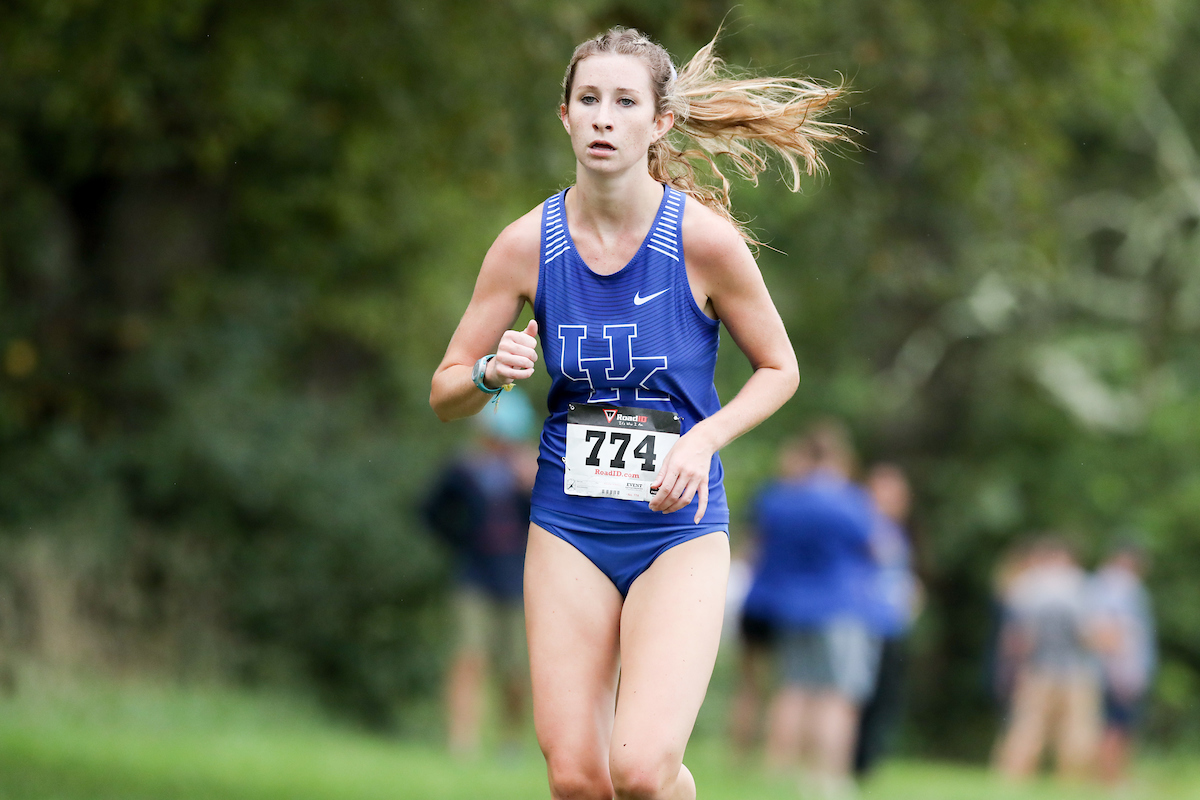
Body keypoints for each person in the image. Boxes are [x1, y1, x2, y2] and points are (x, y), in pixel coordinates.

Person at [430, 26, 850, 800]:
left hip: (677, 528)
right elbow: (447, 389)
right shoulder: (525, 244)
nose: (602, 117)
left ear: (658, 122)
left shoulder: (703, 242)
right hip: (569, 525)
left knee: (644, 773)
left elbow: (781, 368)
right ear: (564, 115)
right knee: (579, 780)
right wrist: (492, 372)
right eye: (588, 99)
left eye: (625, 102)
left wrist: (706, 438)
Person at [741, 420, 878, 798]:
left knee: (792, 690)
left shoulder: (779, 499)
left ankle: (779, 771)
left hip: (791, 606)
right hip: (840, 607)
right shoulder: (849, 501)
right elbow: (876, 547)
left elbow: (761, 544)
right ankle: (828, 777)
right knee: (837, 696)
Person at [422, 388, 538, 756]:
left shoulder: (533, 471)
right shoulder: (464, 468)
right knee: (468, 657)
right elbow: (430, 512)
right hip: (473, 576)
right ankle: (463, 744)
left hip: (519, 580)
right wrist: (460, 540)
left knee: (516, 667)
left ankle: (510, 742)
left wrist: (532, 489)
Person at [727, 436, 813, 758]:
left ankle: (741, 752)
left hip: (760, 598)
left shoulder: (768, 498)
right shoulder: (811, 506)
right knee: (783, 683)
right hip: (789, 604)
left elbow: (751, 547)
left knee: (751, 681)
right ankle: (773, 756)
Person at [993, 536, 1103, 782]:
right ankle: (1072, 780)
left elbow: (1018, 635)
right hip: (1072, 670)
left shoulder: (1029, 586)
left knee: (1028, 728)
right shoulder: (1078, 585)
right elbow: (1087, 632)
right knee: (1076, 731)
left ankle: (1013, 778)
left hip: (1039, 668)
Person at [853, 463, 921, 779]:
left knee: (885, 697)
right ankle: (852, 762)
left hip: (893, 624)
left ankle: (869, 763)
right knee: (858, 696)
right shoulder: (859, 525)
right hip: (863, 623)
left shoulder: (898, 532)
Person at [1089, 542, 1156, 788]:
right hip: (1119, 672)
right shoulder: (1121, 587)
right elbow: (1109, 629)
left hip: (1105, 670)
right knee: (1117, 726)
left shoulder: (1098, 584)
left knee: (1110, 725)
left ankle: (1108, 778)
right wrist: (1122, 671)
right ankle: (1111, 779)